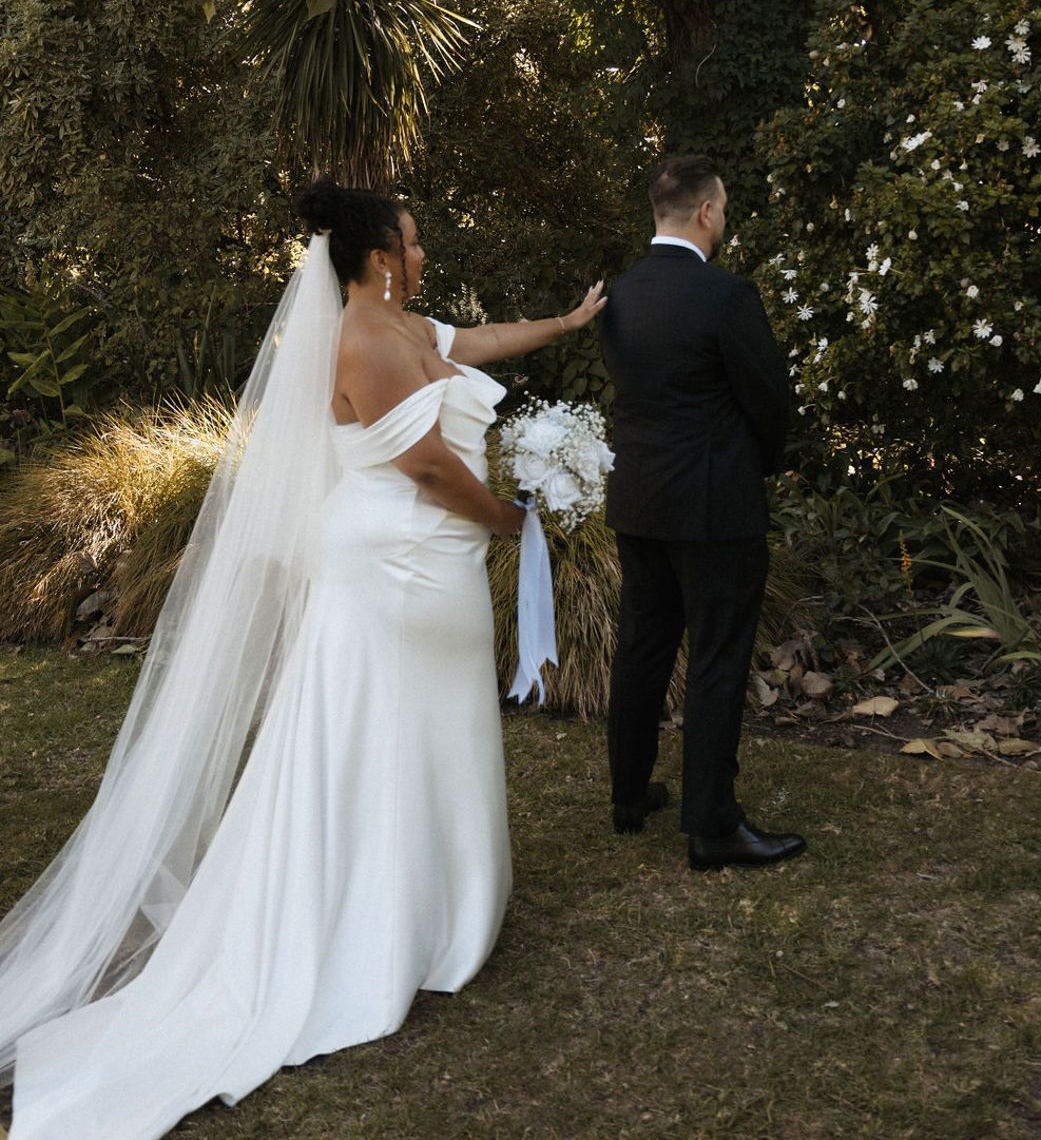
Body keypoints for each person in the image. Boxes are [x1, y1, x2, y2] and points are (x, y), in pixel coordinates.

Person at [1, 180, 605, 1139]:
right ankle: (374, 927)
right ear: (377, 259)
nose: (420, 254)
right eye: (411, 243)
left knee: (423, 731)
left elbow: (480, 343)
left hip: (423, 570)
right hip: (395, 567)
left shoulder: (406, 327)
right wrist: (506, 519)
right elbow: (425, 467)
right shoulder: (363, 340)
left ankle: (433, 906)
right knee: (379, 733)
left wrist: (566, 322)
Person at [600, 155, 806, 870]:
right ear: (706, 213)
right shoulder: (725, 296)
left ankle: (629, 794)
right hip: (715, 507)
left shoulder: (619, 294)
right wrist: (763, 464)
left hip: (638, 499)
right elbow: (770, 400)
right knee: (716, 659)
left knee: (643, 645)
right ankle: (712, 826)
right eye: (724, 206)